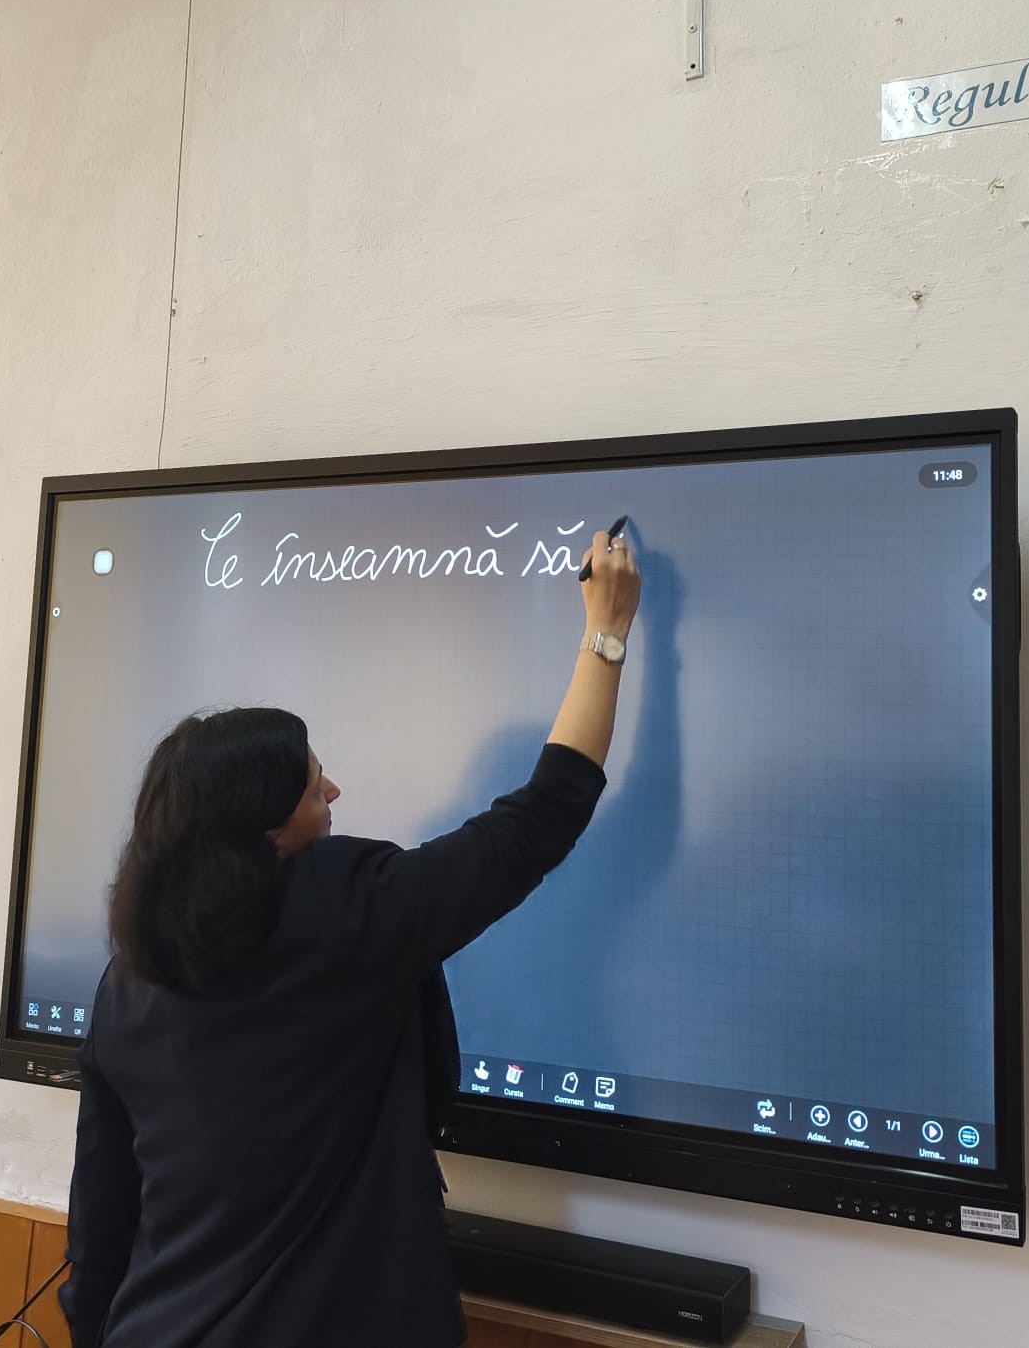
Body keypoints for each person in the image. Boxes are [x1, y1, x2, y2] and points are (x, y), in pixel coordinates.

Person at [61, 530, 642, 1348]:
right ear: (265, 830)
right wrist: (606, 632)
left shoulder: (129, 979)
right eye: (311, 786)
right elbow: (542, 815)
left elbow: (101, 1218)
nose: (332, 790)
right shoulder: (343, 911)